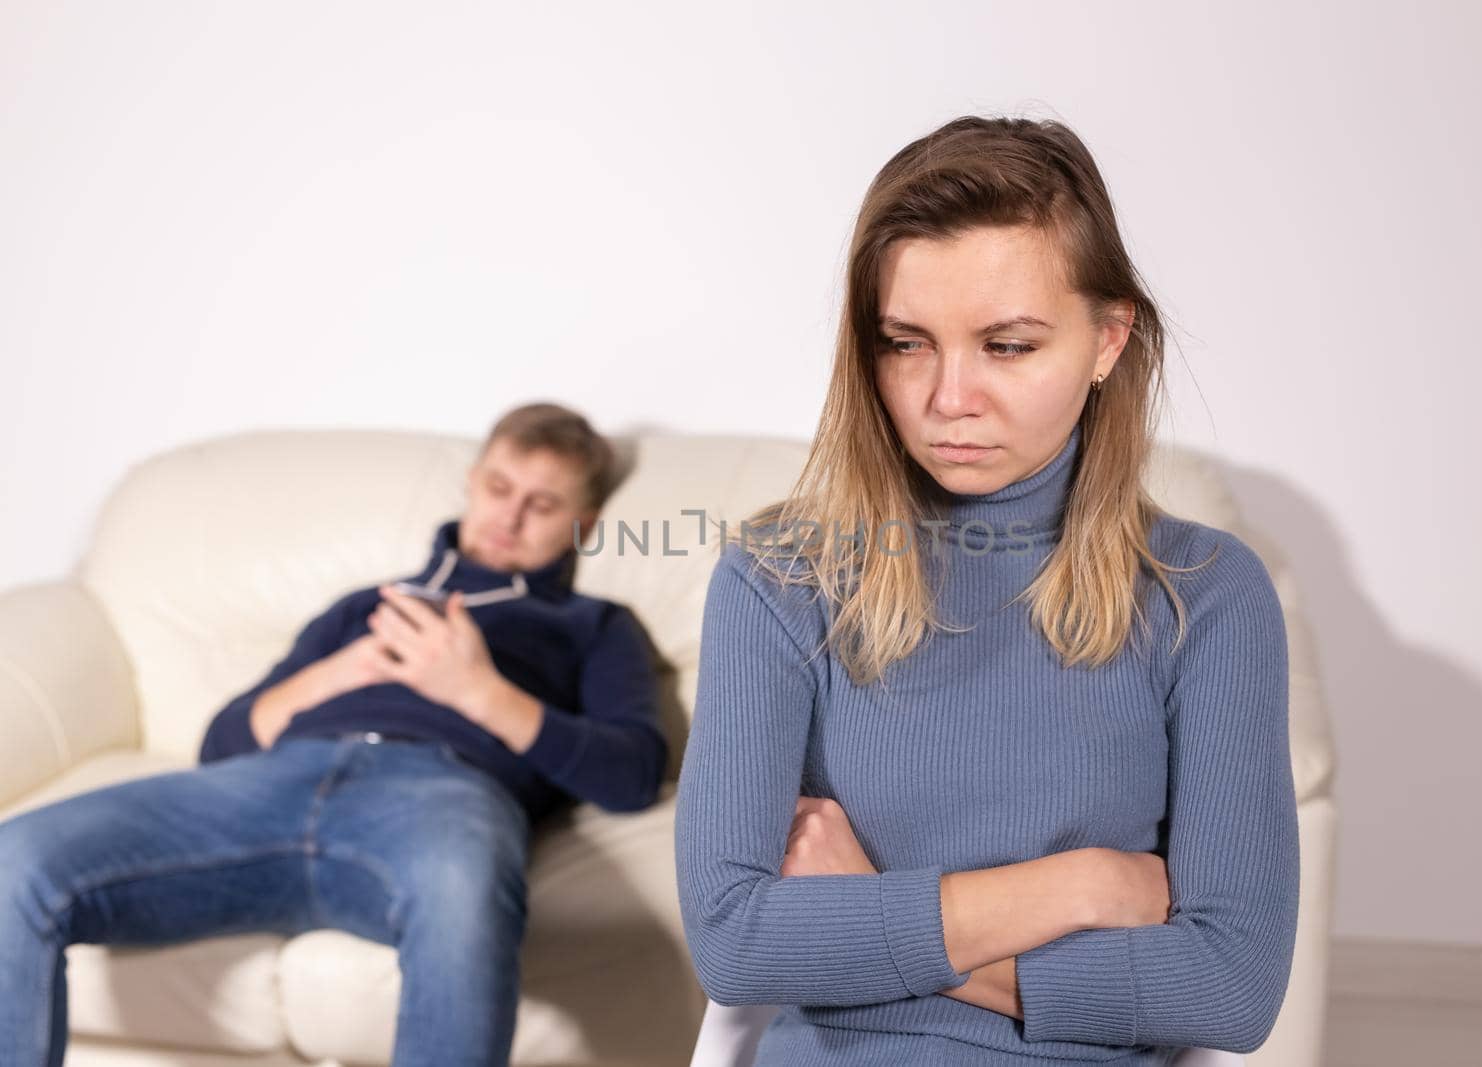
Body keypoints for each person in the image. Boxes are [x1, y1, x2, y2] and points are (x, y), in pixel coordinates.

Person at [674, 115, 1299, 1066]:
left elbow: (1230, 987)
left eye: (1007, 346)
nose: (947, 397)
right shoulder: (779, 578)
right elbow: (736, 942)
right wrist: (1078, 885)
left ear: (1107, 340)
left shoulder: (1205, 598)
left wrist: (872, 910)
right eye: (906, 341)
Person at [0, 401, 668, 1067]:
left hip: (441, 794)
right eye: (498, 488)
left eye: (542, 503)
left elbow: (633, 772)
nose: (510, 515)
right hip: (267, 784)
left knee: (462, 903)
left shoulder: (593, 624)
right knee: (16, 857)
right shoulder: (367, 604)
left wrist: (477, 691)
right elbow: (223, 743)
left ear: (581, 523)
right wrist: (337, 673)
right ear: (471, 483)